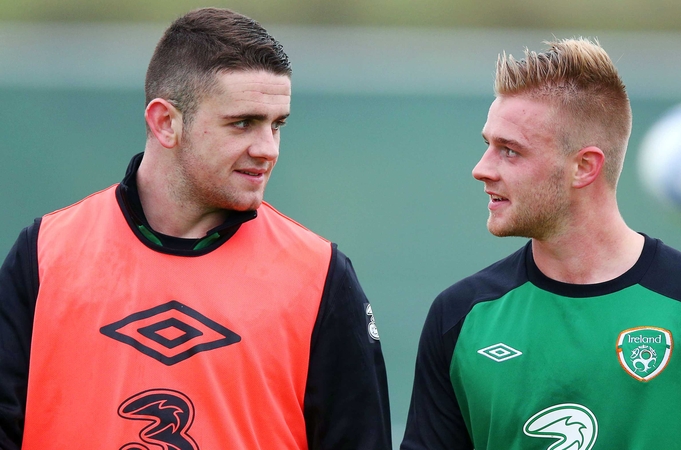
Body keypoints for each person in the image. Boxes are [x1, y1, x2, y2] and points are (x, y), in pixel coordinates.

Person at [0, 8, 391, 449]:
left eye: (276, 125)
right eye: (242, 122)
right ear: (165, 122)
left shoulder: (321, 276)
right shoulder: (45, 255)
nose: (267, 149)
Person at [401, 38, 681, 449]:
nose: (481, 170)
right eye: (488, 145)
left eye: (510, 151)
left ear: (584, 167)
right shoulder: (460, 317)